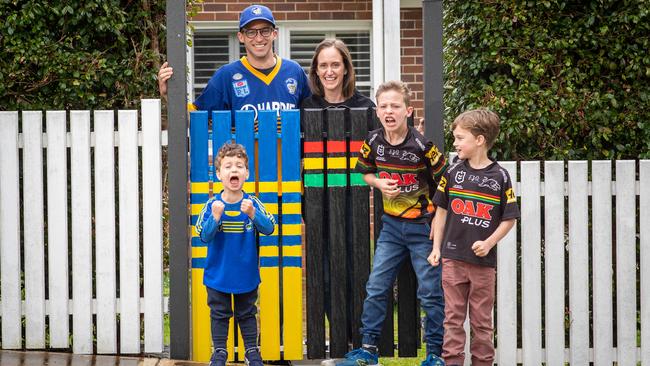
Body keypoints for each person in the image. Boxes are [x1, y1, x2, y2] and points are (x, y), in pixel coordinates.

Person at [337, 81, 448, 366]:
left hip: (423, 229)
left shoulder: (424, 147)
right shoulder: (373, 141)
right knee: (376, 286)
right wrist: (379, 184)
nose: (389, 111)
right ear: (377, 111)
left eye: (395, 106)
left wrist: (438, 218)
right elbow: (365, 173)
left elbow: (446, 184)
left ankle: (435, 353)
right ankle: (368, 349)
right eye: (384, 106)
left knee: (430, 291)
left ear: (408, 111)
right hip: (391, 229)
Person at [427, 109, 519, 366]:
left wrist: (489, 242)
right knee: (452, 320)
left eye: (459, 138)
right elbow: (441, 212)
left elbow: (509, 218)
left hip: (482, 265)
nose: (455, 143)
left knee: (482, 323)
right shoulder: (453, 173)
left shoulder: (500, 177)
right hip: (453, 260)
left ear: (479, 140)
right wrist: (436, 248)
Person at [195, 143, 276, 366]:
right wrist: (216, 217)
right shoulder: (212, 205)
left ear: (246, 173)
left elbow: (269, 228)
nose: (234, 170)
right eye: (228, 166)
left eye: (239, 166)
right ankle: (220, 352)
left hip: (246, 274)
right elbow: (204, 235)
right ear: (219, 174)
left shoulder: (253, 203)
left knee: (247, 313)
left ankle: (252, 351)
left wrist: (252, 214)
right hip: (218, 275)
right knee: (219, 314)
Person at [158, 4, 311, 121]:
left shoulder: (294, 71)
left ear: (274, 34)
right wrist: (169, 96)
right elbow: (196, 118)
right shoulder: (227, 75)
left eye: (265, 30)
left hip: (288, 162)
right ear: (241, 36)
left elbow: (313, 116)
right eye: (251, 32)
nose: (258, 38)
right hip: (244, 163)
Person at [301, 38, 375, 109]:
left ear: (346, 68)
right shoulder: (307, 107)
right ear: (316, 70)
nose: (329, 72)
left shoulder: (366, 107)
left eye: (335, 65)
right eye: (323, 65)